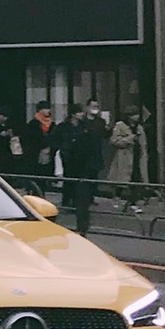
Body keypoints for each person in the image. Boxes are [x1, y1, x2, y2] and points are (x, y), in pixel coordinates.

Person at [58, 100, 107, 234]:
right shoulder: (65, 126)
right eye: (79, 112)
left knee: (84, 187)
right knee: (71, 182)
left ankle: (82, 221)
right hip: (70, 159)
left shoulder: (86, 126)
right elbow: (58, 139)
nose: (81, 114)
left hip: (83, 161)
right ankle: (69, 202)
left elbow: (92, 140)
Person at [20, 101, 59, 191]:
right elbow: (29, 140)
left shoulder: (52, 125)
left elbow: (55, 138)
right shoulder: (33, 124)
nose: (48, 111)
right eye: (45, 108)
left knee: (44, 179)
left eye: (48, 108)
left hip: (48, 155)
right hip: (35, 155)